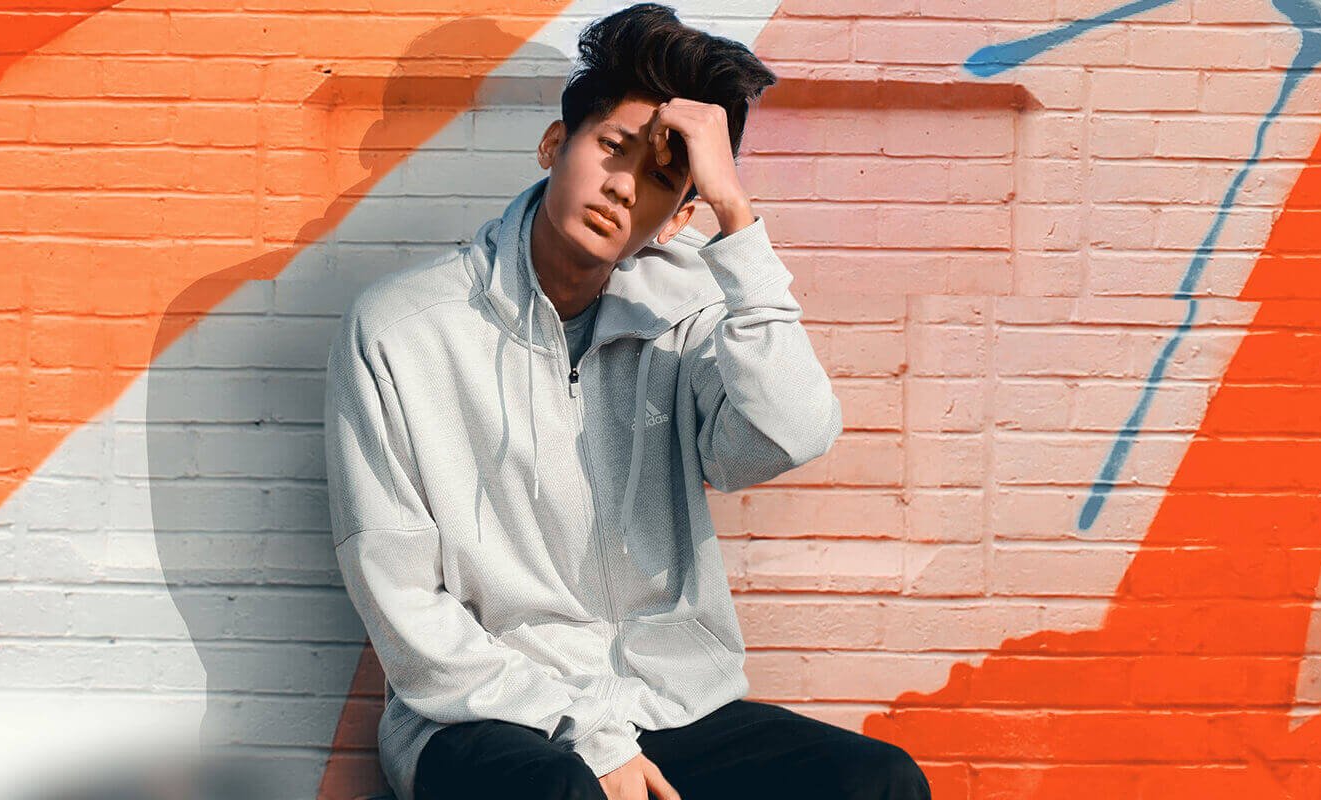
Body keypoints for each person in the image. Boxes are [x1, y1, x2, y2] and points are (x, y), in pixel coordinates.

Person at [324, 4, 931, 799]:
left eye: (660, 179)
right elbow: (403, 598)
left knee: (877, 782)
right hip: (487, 715)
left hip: (666, 703)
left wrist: (737, 217)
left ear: (678, 221)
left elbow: (791, 433)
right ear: (555, 145)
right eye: (612, 147)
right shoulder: (402, 331)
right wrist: (587, 736)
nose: (621, 185)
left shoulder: (685, 317)